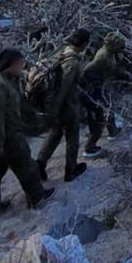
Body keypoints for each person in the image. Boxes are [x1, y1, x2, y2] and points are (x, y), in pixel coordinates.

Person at [0, 49, 53, 218]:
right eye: (20, 64)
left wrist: (34, 118)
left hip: (8, 134)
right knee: (26, 166)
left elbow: (20, 103)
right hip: (8, 136)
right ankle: (36, 197)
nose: (22, 67)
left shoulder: (10, 80)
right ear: (11, 64)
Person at [36, 30, 91, 183]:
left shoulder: (63, 53)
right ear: (84, 44)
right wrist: (55, 109)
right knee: (72, 136)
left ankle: (40, 163)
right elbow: (64, 88)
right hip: (66, 105)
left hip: (56, 104)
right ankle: (70, 169)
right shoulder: (72, 63)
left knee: (56, 132)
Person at [82, 32, 127, 157]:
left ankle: (112, 131)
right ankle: (90, 147)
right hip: (95, 88)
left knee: (108, 108)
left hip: (102, 85)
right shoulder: (102, 56)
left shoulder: (110, 53)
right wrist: (93, 85)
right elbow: (87, 70)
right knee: (100, 114)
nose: (122, 49)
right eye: (120, 47)